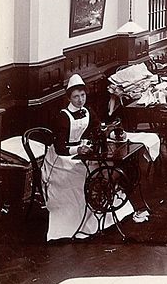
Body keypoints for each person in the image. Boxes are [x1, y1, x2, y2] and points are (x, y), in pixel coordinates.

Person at [42, 74, 134, 241]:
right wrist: (78, 149)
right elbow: (60, 148)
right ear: (69, 98)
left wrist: (111, 132)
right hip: (61, 158)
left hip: (80, 151)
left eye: (82, 95)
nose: (80, 100)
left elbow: (98, 127)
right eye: (76, 97)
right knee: (86, 171)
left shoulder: (87, 111)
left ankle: (102, 206)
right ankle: (87, 218)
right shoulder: (63, 116)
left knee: (103, 167)